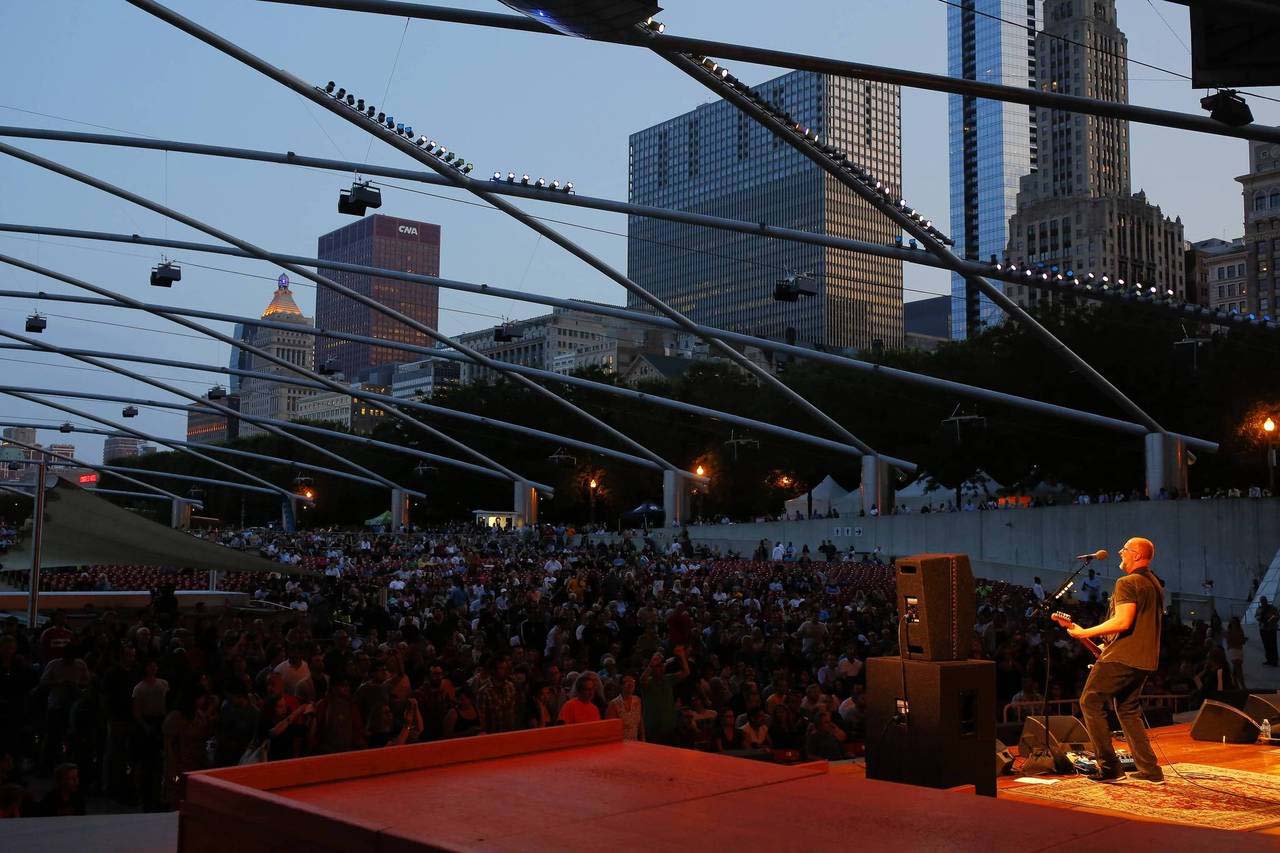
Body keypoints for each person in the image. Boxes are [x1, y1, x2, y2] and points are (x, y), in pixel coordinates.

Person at [1063, 537, 1164, 784]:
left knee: (1090, 702)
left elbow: (1123, 622)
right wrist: (1091, 637)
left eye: (1125, 549)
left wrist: (1084, 632)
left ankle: (1110, 768)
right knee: (1128, 710)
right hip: (1145, 658)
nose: (1120, 552)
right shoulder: (1154, 583)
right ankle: (1150, 771)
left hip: (1123, 657)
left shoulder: (1127, 582)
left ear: (1138, 555)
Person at [606, 674, 644, 741]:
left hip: (636, 743)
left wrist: (643, 739)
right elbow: (610, 729)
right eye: (626, 682)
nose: (630, 684)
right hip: (620, 743)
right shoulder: (614, 704)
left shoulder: (637, 700)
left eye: (632, 681)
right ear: (621, 686)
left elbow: (640, 722)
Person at [1258, 596, 1279, 667]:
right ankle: (1269, 660)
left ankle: (1274, 661)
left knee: (1273, 645)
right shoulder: (1259, 609)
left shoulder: (1272, 608)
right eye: (1262, 601)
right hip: (1263, 629)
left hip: (1271, 629)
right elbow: (1256, 616)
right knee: (1266, 645)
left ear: (1266, 600)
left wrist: (1271, 619)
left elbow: (1277, 616)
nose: (1263, 602)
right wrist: (1260, 618)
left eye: (1264, 600)